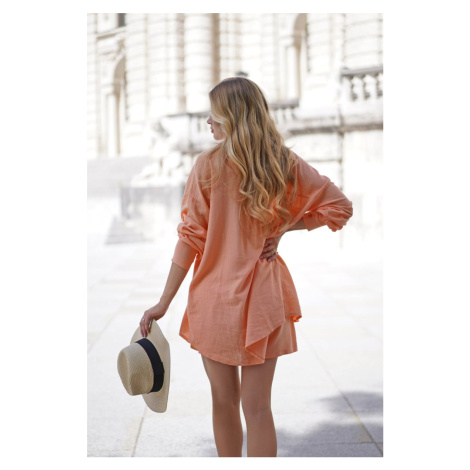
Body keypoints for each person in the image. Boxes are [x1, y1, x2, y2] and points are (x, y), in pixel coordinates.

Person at [139, 77, 353, 457]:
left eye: (214, 114)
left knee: (223, 403)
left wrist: (164, 302)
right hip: (262, 299)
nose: (208, 121)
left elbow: (190, 237)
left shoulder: (207, 166)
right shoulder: (282, 162)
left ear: (232, 116)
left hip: (214, 299)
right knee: (258, 409)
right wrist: (286, 227)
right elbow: (339, 207)